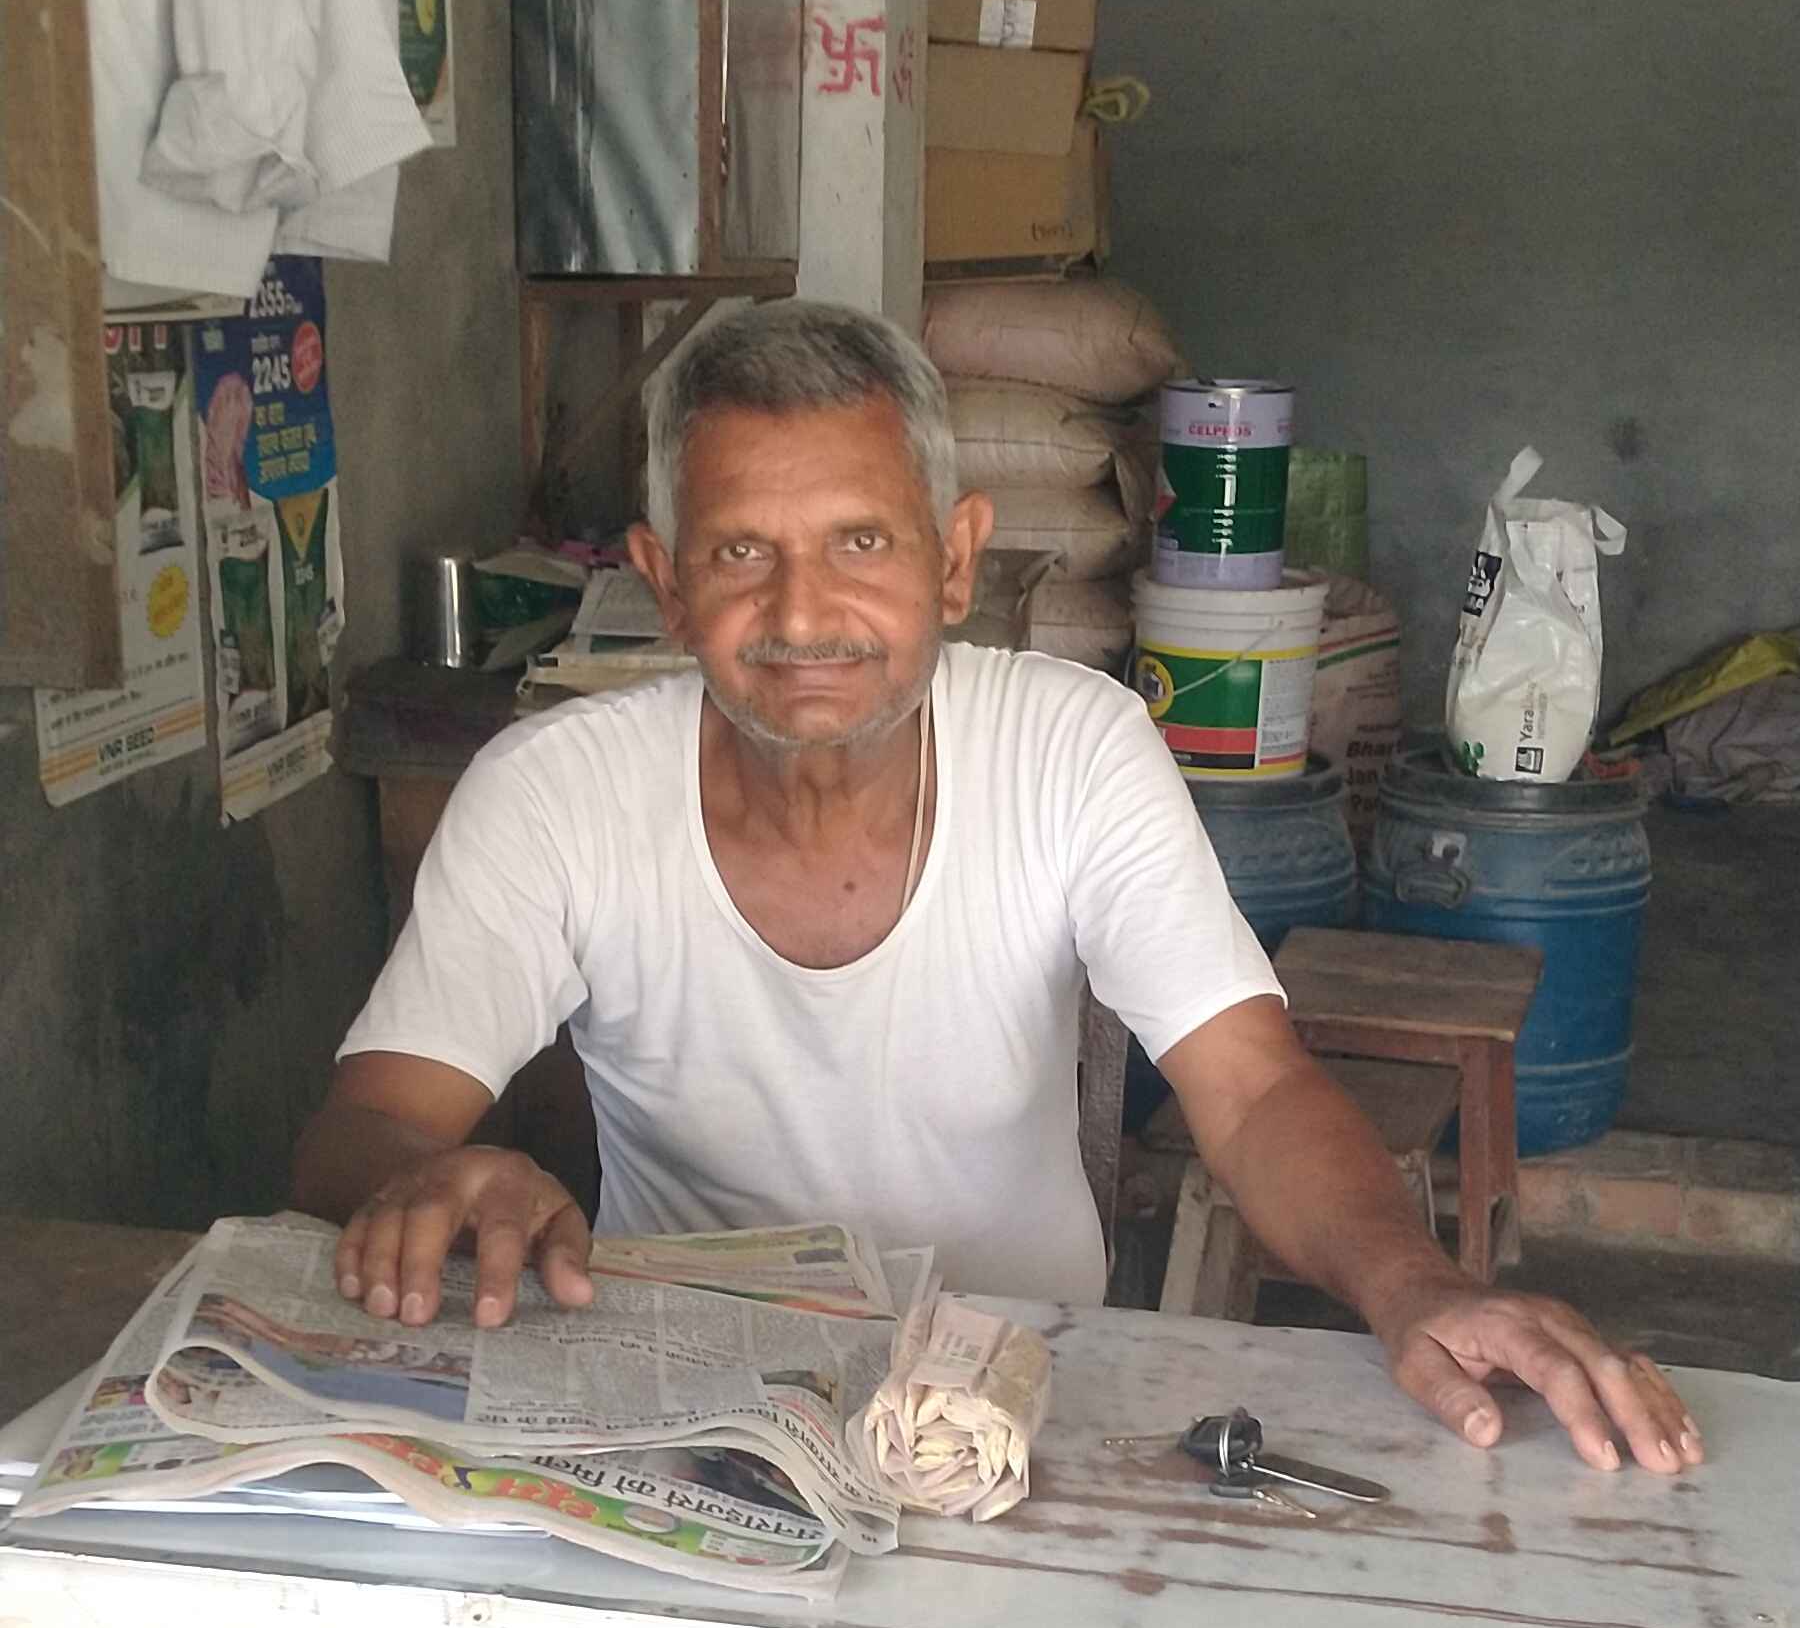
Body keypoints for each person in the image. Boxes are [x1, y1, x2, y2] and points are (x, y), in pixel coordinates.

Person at [293, 302, 1700, 1477]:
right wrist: (429, 1181)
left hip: (1031, 1395)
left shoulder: (1072, 749)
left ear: (956, 560)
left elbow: (1252, 1092)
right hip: (697, 1405)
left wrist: (1416, 1283)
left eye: (862, 542)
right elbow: (362, 1130)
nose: (802, 614)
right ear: (666, 584)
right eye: (740, 552)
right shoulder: (553, 794)